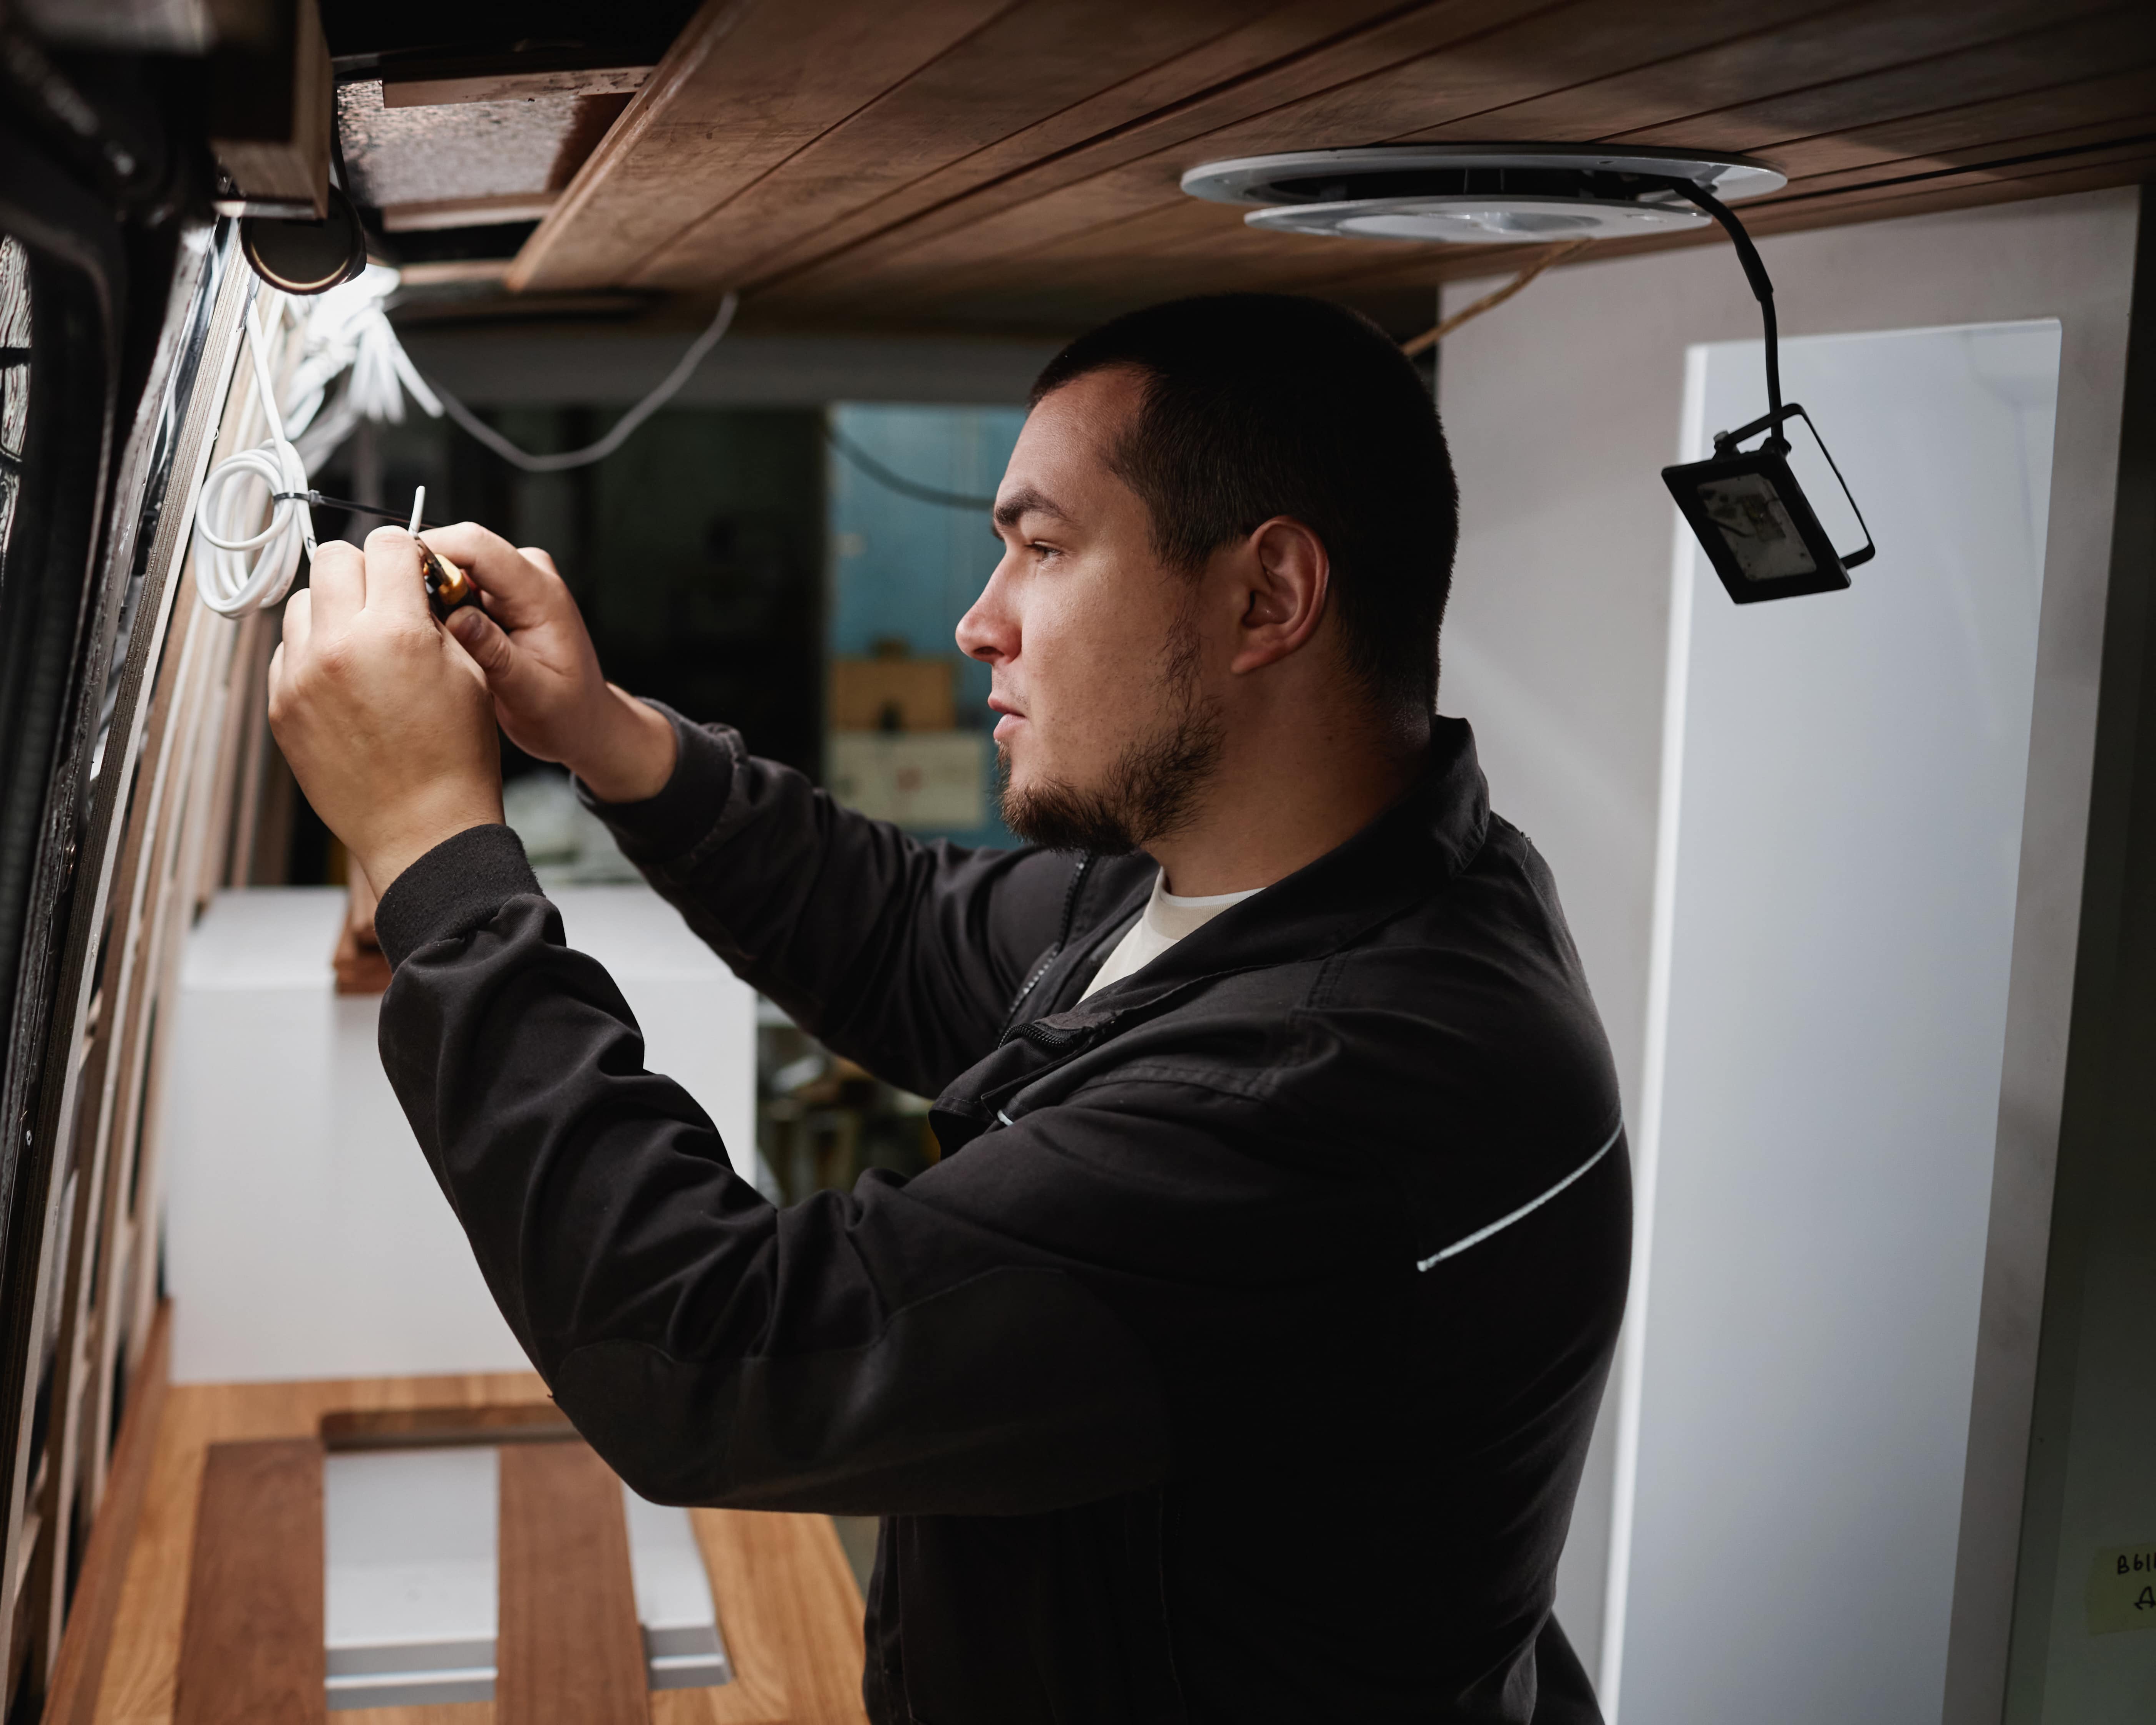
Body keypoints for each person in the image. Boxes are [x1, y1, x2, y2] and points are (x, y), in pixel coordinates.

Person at [268, 294, 1630, 1723]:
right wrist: (607, 735)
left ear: (1267, 598)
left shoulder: (1319, 1097)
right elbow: (913, 936)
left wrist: (434, 845)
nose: (981, 622)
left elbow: (712, 1354)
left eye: (1044, 548)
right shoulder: (1305, 882)